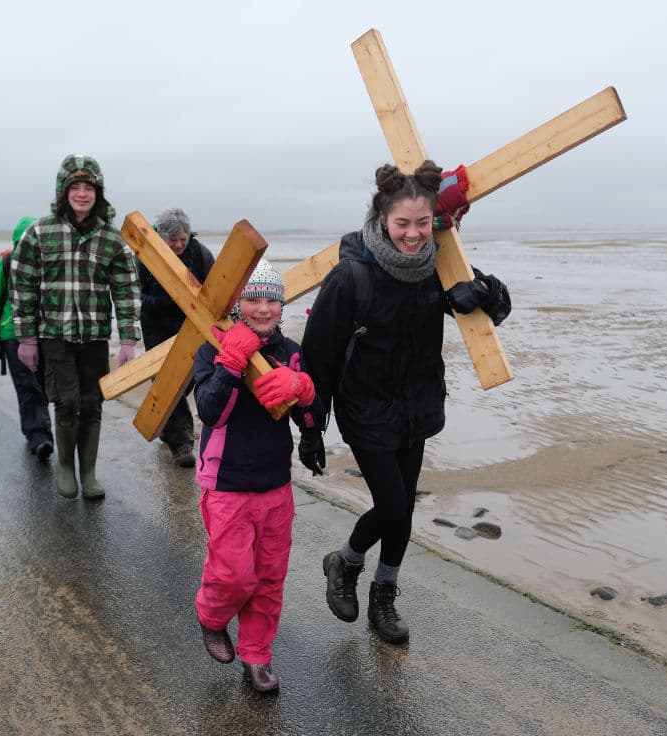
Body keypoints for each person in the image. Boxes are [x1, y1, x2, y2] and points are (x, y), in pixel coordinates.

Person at [301, 160, 511, 645]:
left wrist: (478, 292)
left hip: (417, 404)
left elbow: (499, 306)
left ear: (434, 219)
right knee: (393, 506)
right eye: (402, 224)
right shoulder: (352, 274)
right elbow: (319, 355)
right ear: (382, 218)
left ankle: (384, 595)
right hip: (365, 406)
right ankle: (345, 562)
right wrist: (310, 426)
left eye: (422, 223)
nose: (413, 234)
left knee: (403, 509)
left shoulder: (438, 265)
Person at [192, 259, 325, 693]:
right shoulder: (211, 347)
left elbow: (311, 418)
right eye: (252, 298)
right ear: (237, 304)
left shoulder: (289, 351)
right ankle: (211, 618)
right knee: (234, 575)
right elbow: (212, 413)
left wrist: (304, 389)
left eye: (271, 299)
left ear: (282, 305)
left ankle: (257, 656)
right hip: (226, 482)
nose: (262, 308)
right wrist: (231, 364)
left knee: (268, 578)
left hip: (275, 484)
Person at [11, 154, 140, 500]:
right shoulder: (40, 232)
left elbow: (127, 289)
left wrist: (128, 338)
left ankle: (89, 471)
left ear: (98, 193)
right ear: (63, 191)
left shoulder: (111, 240)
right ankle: (65, 467)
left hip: (94, 337)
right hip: (54, 334)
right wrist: (26, 337)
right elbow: (22, 284)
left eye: (89, 188)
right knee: (66, 402)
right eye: (75, 187)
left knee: (92, 402)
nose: (82, 194)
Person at [137, 208, 214, 467]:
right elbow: (138, 296)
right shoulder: (145, 256)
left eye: (183, 239)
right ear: (162, 237)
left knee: (186, 379)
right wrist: (169, 300)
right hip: (155, 325)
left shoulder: (200, 254)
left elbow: (215, 290)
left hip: (189, 325)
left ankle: (167, 424)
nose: (179, 244)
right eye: (173, 240)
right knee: (166, 378)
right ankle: (181, 445)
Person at [0, 215, 54, 460]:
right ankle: (39, 435)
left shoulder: (52, 264)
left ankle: (41, 426)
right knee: (27, 385)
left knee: (43, 384)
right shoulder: (6, 262)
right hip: (13, 335)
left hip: (48, 335)